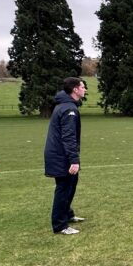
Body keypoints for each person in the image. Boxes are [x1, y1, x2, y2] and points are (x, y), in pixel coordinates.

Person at [44, 77, 87, 235]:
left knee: (71, 183)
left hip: (60, 154)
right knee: (63, 187)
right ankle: (60, 225)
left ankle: (67, 215)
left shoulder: (66, 105)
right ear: (75, 90)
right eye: (83, 87)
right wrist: (74, 160)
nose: (85, 89)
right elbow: (68, 137)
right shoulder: (69, 109)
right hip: (60, 156)